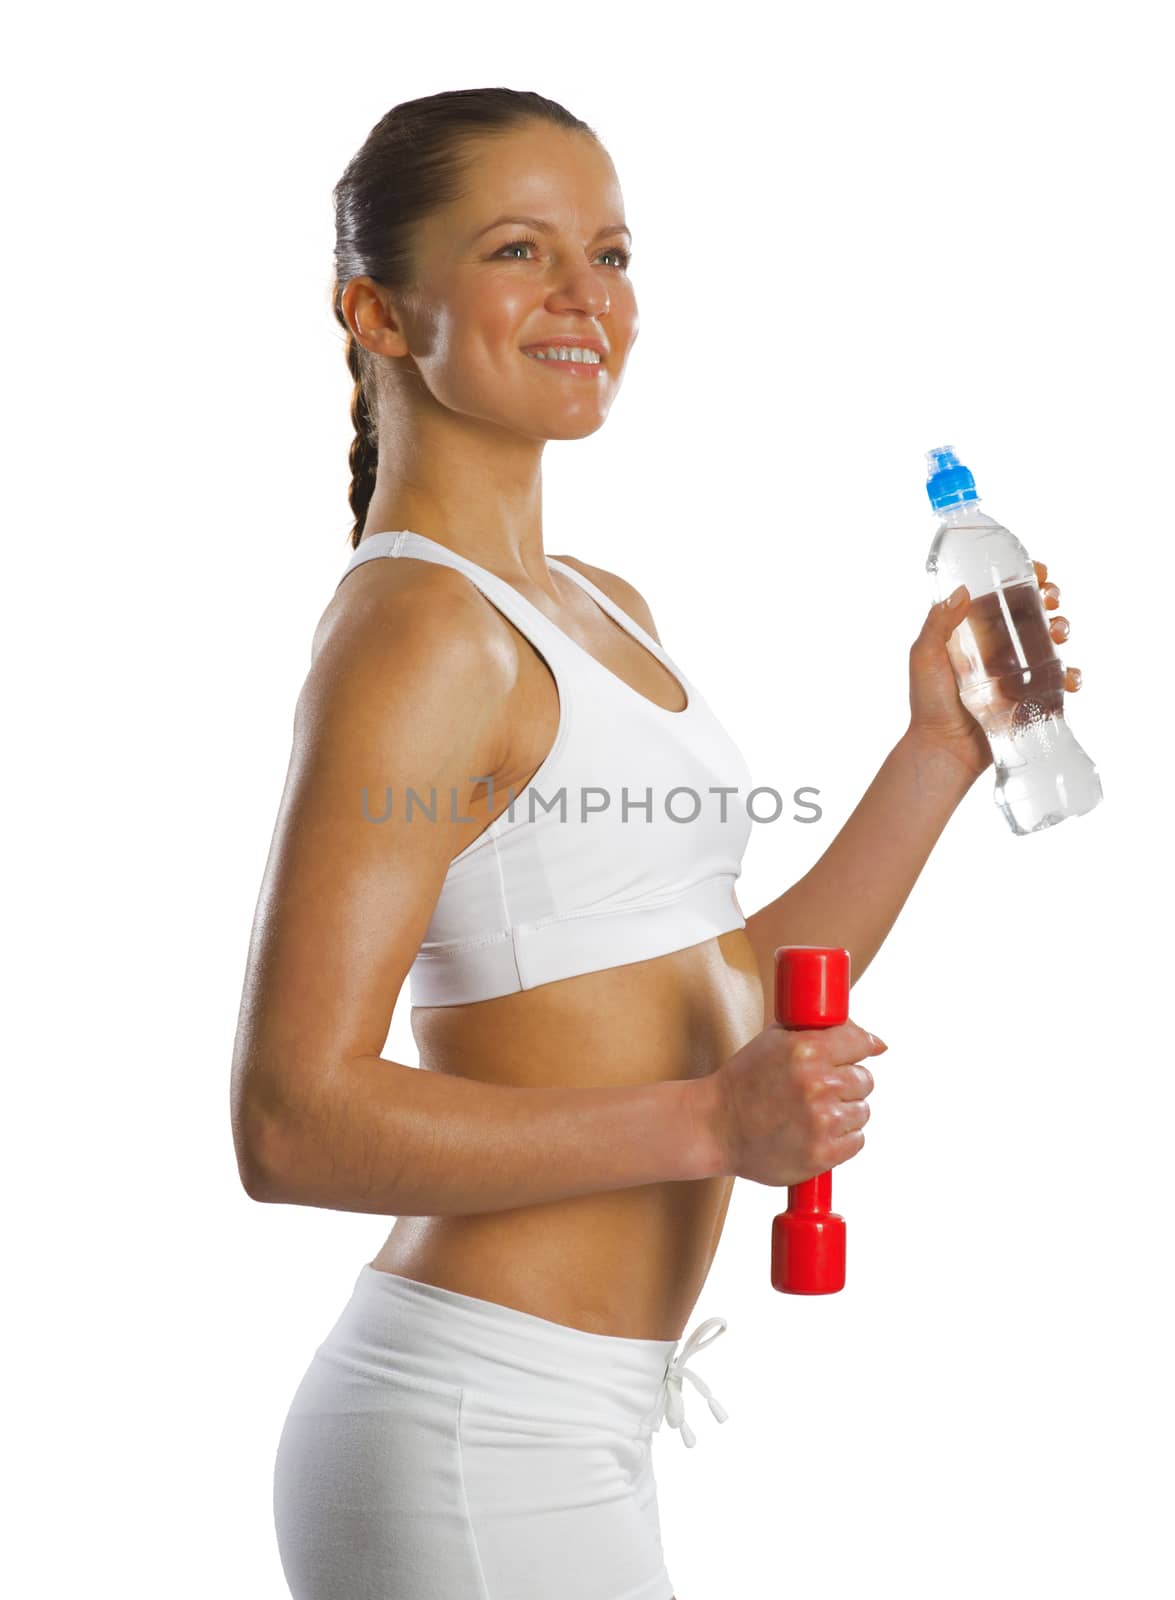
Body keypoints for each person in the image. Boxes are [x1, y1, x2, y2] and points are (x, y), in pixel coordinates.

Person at [229, 86, 1082, 1600]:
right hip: (472, 1430)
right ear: (374, 308)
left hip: (578, 1421)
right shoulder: (418, 632)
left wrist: (939, 752)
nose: (585, 299)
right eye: (518, 250)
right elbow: (291, 1123)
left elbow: (727, 977)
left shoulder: (598, 607)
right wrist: (708, 1128)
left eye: (611, 254)